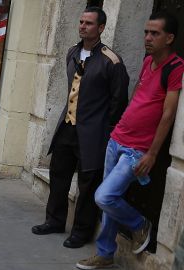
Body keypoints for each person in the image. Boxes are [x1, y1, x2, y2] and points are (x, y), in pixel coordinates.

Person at [77, 11, 184, 269]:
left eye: (154, 33)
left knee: (104, 196)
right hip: (117, 139)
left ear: (169, 38)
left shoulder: (175, 67)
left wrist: (152, 153)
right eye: (146, 32)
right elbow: (137, 94)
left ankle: (140, 224)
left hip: (138, 149)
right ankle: (105, 254)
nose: (147, 37)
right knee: (108, 204)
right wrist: (123, 121)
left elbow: (168, 115)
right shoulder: (148, 61)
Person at [31, 6, 129, 249]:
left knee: (87, 183)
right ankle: (54, 220)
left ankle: (82, 231)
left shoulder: (111, 61)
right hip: (67, 125)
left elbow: (119, 102)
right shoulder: (72, 52)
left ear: (101, 28)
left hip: (93, 132)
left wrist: (104, 129)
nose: (83, 26)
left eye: (89, 23)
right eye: (81, 22)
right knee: (59, 174)